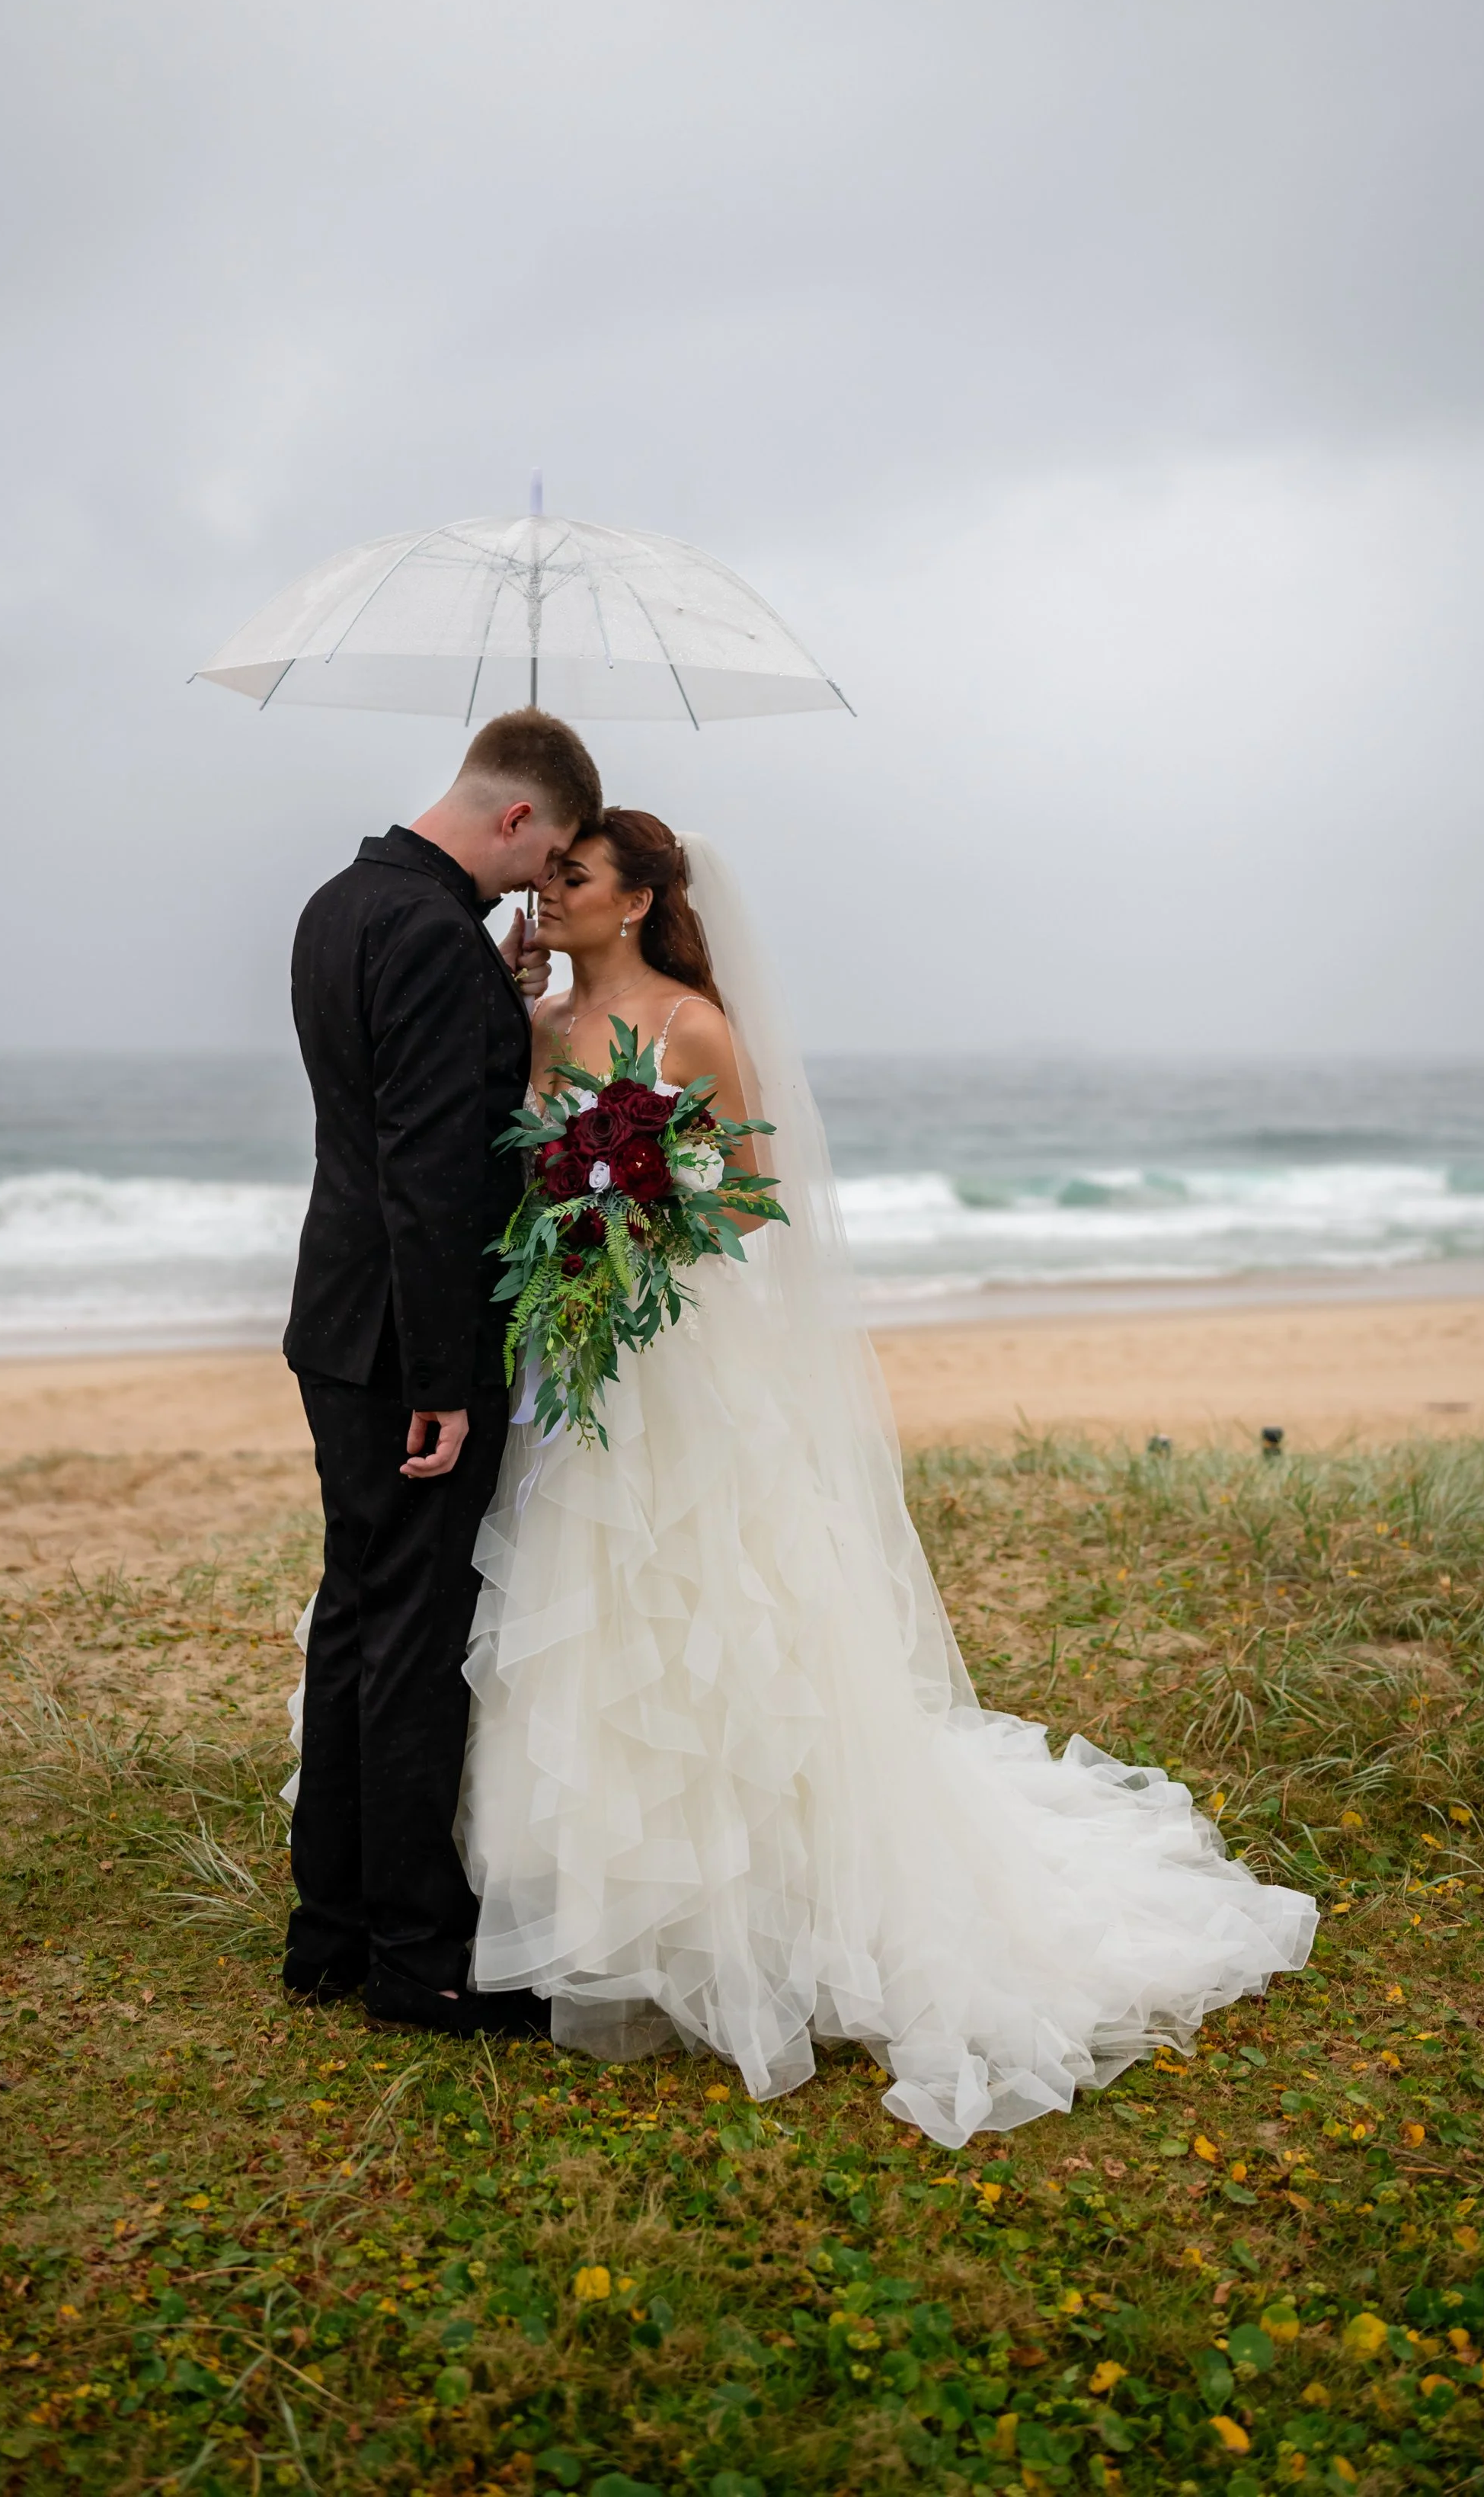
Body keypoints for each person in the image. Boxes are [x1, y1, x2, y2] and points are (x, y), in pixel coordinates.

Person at [459, 812, 1316, 2143]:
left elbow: (751, 1193)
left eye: (571, 877)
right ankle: (596, 1906)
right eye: (548, 874)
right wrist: (554, 1157)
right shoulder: (542, 1019)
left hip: (671, 1349)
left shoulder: (692, 1026)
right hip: (575, 1356)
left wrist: (642, 1210)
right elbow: (513, 1163)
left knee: (710, 1606)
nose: (546, 892)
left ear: (633, 903)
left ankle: (755, 1909)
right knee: (579, 1605)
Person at [281, 708, 601, 2037]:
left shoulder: (341, 902)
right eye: (553, 852)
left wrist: (500, 997)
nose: (547, 880)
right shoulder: (427, 933)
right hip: (403, 1342)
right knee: (412, 1643)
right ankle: (421, 1959)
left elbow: (398, 1103)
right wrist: (447, 1374)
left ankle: (331, 1928)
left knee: (360, 1611)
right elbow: (427, 1165)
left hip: (336, 1320)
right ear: (517, 815)